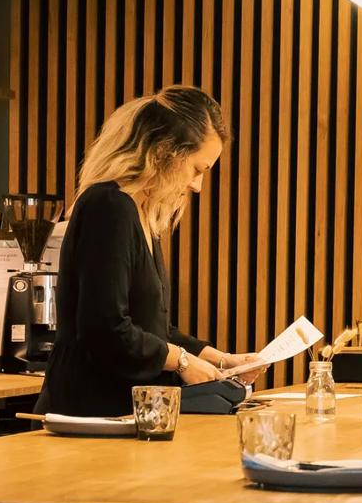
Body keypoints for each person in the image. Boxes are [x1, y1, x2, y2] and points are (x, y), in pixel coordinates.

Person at [38, 85, 264, 417]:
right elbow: (105, 328)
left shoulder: (140, 214)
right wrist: (182, 362)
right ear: (163, 153)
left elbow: (153, 330)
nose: (197, 185)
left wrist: (219, 359)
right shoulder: (108, 206)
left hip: (125, 412)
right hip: (89, 412)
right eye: (196, 169)